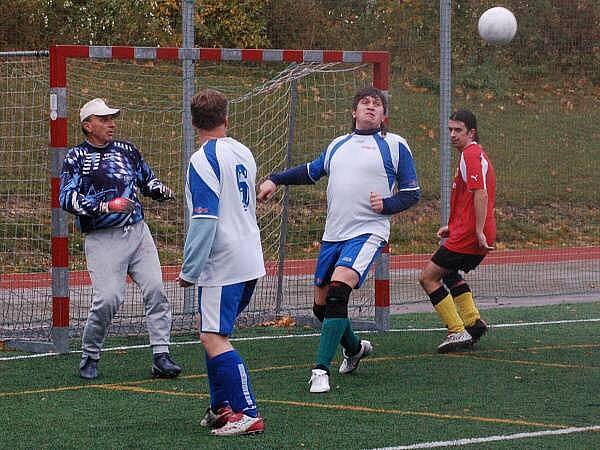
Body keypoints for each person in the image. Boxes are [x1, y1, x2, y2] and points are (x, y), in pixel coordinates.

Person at [258, 86, 420, 393]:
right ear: (354, 112)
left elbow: (412, 193)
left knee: (337, 294)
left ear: (384, 115)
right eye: (365, 103)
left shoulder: (395, 145)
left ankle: (320, 370)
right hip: (333, 235)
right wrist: (276, 179)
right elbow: (311, 171)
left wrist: (387, 204)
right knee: (321, 308)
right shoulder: (338, 145)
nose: (371, 107)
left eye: (377, 105)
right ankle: (355, 348)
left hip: (368, 231)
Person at [59, 98, 181, 380]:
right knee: (108, 300)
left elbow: (146, 179)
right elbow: (66, 198)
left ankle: (161, 355)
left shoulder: (127, 150)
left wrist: (160, 189)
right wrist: (105, 206)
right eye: (104, 119)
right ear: (88, 126)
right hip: (103, 239)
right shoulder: (75, 157)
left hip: (138, 233)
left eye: (112, 118)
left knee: (156, 291)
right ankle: (90, 355)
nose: (111, 123)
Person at [177, 90, 266, 436]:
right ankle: (220, 408)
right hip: (250, 257)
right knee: (212, 333)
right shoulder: (243, 152)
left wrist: (189, 269)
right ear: (226, 119)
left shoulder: (202, 159)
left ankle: (247, 413)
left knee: (213, 337)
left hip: (223, 262)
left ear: (193, 122)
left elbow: (205, 220)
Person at [418, 109, 495, 353]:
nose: (452, 135)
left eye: (458, 130)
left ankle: (457, 330)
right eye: (450, 129)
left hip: (471, 235)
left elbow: (480, 194)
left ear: (471, 132)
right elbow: (469, 199)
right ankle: (473, 322)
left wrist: (478, 231)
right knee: (448, 273)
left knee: (428, 277)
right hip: (466, 231)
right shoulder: (471, 154)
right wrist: (453, 227)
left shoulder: (471, 154)